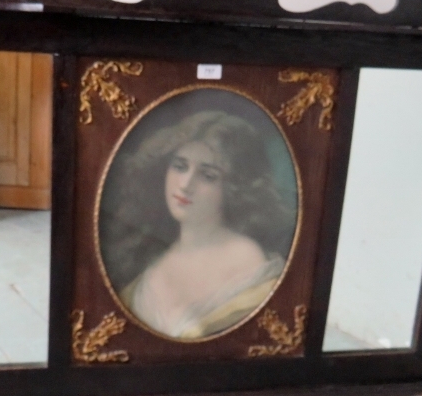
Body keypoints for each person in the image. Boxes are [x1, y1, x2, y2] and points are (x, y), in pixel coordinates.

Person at [100, 110, 295, 339]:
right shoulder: (152, 261)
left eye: (208, 176)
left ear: (234, 188)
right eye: (180, 167)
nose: (185, 184)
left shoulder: (247, 258)